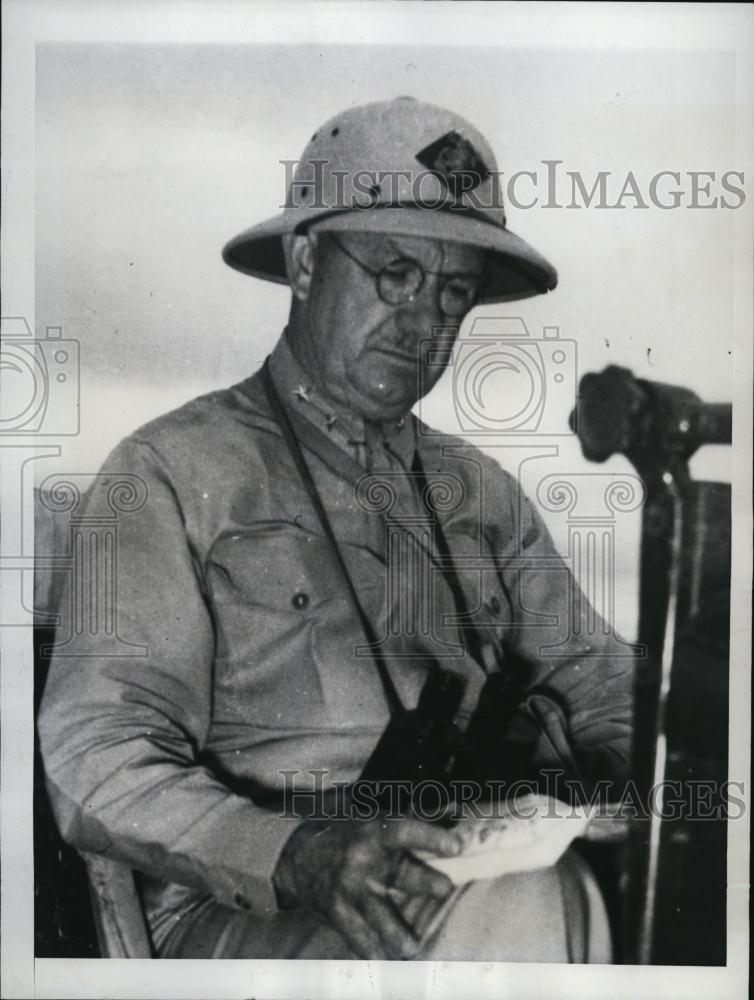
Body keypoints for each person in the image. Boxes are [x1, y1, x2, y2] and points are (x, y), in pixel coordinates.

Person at [38, 97, 633, 962]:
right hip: (250, 914)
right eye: (395, 272)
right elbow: (93, 760)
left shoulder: (485, 496)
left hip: (475, 883)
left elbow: (610, 689)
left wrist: (609, 784)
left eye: (453, 291)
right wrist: (298, 855)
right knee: (535, 905)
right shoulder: (166, 473)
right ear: (309, 261)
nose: (424, 319)